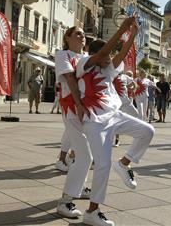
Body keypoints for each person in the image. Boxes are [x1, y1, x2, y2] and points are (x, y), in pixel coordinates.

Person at [76, 19, 154, 226]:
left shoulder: (107, 70)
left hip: (114, 116)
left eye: (109, 56)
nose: (109, 58)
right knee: (102, 166)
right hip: (94, 121)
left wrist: (133, 35)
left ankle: (124, 163)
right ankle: (92, 212)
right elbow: (103, 53)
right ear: (95, 55)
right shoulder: (83, 65)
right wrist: (122, 29)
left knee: (147, 131)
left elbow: (120, 54)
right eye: (106, 55)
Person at [55, 26, 94, 218]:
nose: (82, 36)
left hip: (88, 111)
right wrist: (78, 103)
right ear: (67, 37)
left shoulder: (87, 57)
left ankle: (81, 187)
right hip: (72, 108)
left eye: (84, 35)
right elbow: (69, 78)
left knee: (86, 154)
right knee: (85, 155)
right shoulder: (63, 54)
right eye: (78, 33)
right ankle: (65, 201)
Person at [113, 69, 139, 147]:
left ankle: (127, 128)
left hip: (126, 102)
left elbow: (134, 83)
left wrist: (132, 89)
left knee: (136, 114)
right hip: (117, 103)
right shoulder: (112, 76)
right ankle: (117, 140)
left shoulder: (125, 77)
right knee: (116, 121)